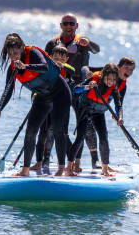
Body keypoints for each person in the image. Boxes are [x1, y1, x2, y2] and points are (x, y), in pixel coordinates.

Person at [0, 33, 71, 177]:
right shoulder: (12, 69)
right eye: (10, 54)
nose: (14, 57)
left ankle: (61, 168)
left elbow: (45, 67)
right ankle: (25, 170)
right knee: (30, 132)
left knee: (58, 130)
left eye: (16, 52)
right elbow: (8, 91)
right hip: (43, 97)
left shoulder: (32, 53)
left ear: (22, 48)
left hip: (60, 93)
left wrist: (26, 66)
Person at [44, 13, 101, 169]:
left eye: (72, 23)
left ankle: (93, 160)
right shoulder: (52, 43)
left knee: (86, 124)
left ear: (76, 26)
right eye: (66, 23)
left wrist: (89, 43)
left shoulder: (83, 42)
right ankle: (46, 159)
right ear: (61, 25)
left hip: (80, 88)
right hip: (59, 88)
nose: (69, 26)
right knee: (52, 125)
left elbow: (97, 50)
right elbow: (45, 65)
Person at [66, 63, 124, 177]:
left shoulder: (114, 89)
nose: (110, 82)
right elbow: (76, 90)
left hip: (98, 113)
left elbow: (119, 106)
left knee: (104, 137)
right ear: (103, 76)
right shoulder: (94, 79)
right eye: (108, 79)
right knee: (80, 137)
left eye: (113, 79)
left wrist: (120, 117)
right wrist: (88, 86)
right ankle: (69, 167)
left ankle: (105, 168)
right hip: (85, 110)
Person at [80, 57, 136, 168]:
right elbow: (84, 67)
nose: (129, 72)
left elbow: (119, 104)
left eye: (131, 70)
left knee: (103, 135)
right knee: (88, 131)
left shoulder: (122, 86)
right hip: (86, 105)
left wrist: (118, 117)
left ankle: (105, 163)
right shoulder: (106, 70)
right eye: (126, 68)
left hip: (100, 110)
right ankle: (95, 161)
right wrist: (87, 73)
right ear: (118, 67)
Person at [33, 45, 75, 169]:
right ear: (50, 57)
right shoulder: (46, 68)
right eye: (55, 58)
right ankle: (40, 161)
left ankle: (69, 162)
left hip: (61, 106)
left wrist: (62, 66)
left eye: (61, 58)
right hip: (47, 104)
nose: (58, 60)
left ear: (66, 59)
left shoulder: (67, 69)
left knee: (61, 134)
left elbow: (73, 69)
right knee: (43, 134)